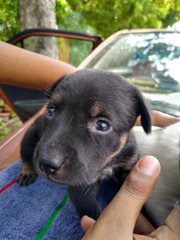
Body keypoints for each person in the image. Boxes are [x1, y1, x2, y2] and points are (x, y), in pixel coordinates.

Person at [0, 41, 180, 239]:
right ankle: (27, 165)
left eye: (102, 125)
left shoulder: (128, 151)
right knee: (30, 142)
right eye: (53, 109)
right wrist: (96, 223)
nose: (51, 156)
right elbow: (83, 199)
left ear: (136, 124)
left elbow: (130, 182)